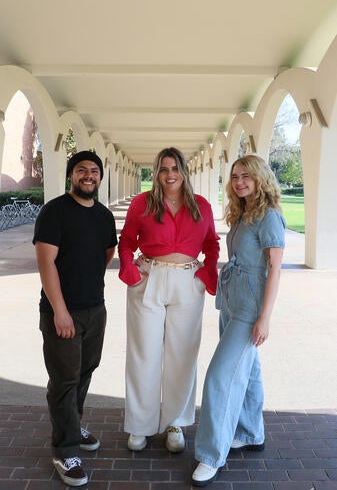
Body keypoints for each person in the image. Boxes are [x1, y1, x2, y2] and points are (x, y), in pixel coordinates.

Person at [118, 147, 220, 453]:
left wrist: (206, 273)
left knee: (182, 354)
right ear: (156, 172)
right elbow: (126, 241)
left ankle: (175, 422)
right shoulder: (142, 204)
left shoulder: (201, 205)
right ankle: (140, 425)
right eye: (163, 169)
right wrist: (130, 272)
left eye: (175, 168)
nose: (169, 174)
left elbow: (212, 243)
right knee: (144, 353)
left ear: (184, 171)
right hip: (149, 277)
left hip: (188, 280)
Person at [192, 154, 285, 487]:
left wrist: (265, 317)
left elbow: (274, 268)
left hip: (250, 308)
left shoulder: (270, 216)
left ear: (260, 178)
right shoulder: (244, 213)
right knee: (249, 369)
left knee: (220, 376)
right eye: (234, 176)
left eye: (246, 176)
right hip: (232, 300)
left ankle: (210, 455)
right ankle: (249, 431)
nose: (239, 181)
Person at [33, 150, 117, 487]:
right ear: (71, 175)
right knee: (64, 380)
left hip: (95, 309)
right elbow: (46, 263)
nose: (88, 175)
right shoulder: (55, 211)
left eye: (94, 171)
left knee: (84, 371)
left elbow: (107, 252)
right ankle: (64, 450)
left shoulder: (104, 216)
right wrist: (60, 310)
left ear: (99, 177)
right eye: (82, 170)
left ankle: (73, 424)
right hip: (62, 312)